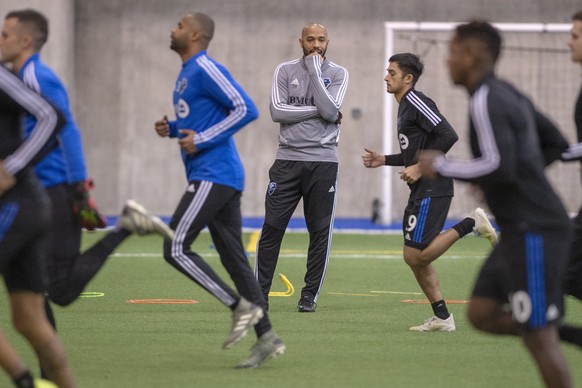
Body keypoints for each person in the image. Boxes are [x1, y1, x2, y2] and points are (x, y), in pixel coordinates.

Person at [0, 8, 175, 380]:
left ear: (25, 40)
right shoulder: (18, 75)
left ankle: (125, 227)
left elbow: (66, 129)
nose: (1, 39)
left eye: (5, 34)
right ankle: (47, 371)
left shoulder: (36, 76)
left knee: (58, 290)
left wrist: (80, 189)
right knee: (39, 293)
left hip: (55, 190)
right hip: (40, 191)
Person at [418, 21, 574, 387]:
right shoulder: (508, 94)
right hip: (518, 230)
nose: (447, 61)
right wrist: (506, 183)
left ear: (470, 55)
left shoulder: (487, 98)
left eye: (452, 52)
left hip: (537, 229)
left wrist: (440, 165)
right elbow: (556, 144)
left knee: (538, 337)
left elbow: (497, 163)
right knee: (481, 313)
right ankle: (555, 327)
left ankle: (546, 327)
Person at [154, 12, 284, 369]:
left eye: (178, 25)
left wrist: (204, 138)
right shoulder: (185, 74)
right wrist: (175, 127)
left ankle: (238, 307)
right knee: (236, 262)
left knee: (175, 246)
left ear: (195, 35)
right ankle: (268, 339)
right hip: (217, 176)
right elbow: (202, 122)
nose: (172, 28)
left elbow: (247, 109)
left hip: (215, 174)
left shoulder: (204, 68)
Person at [362, 53, 498, 332]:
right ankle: (443, 318)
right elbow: (412, 154)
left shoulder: (415, 101)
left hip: (433, 186)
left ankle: (472, 223)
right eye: (387, 72)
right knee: (414, 258)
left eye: (392, 72)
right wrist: (384, 160)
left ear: (408, 78)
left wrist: (421, 169)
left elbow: (449, 134)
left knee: (416, 256)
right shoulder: (403, 107)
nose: (386, 77)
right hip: (421, 189)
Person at [255, 23, 349, 313]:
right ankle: (259, 296)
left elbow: (332, 111)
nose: (316, 45)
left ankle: (309, 296)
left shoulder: (338, 73)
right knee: (272, 227)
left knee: (320, 231)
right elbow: (276, 111)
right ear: (301, 41)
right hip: (287, 161)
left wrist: (314, 71)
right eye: (310, 40)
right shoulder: (284, 71)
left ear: (328, 42)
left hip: (324, 163)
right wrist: (322, 111)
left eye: (321, 40)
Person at [0, 64, 76, 388]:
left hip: (16, 205)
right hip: (25, 206)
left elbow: (52, 116)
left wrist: (11, 167)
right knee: (28, 320)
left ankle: (23, 380)